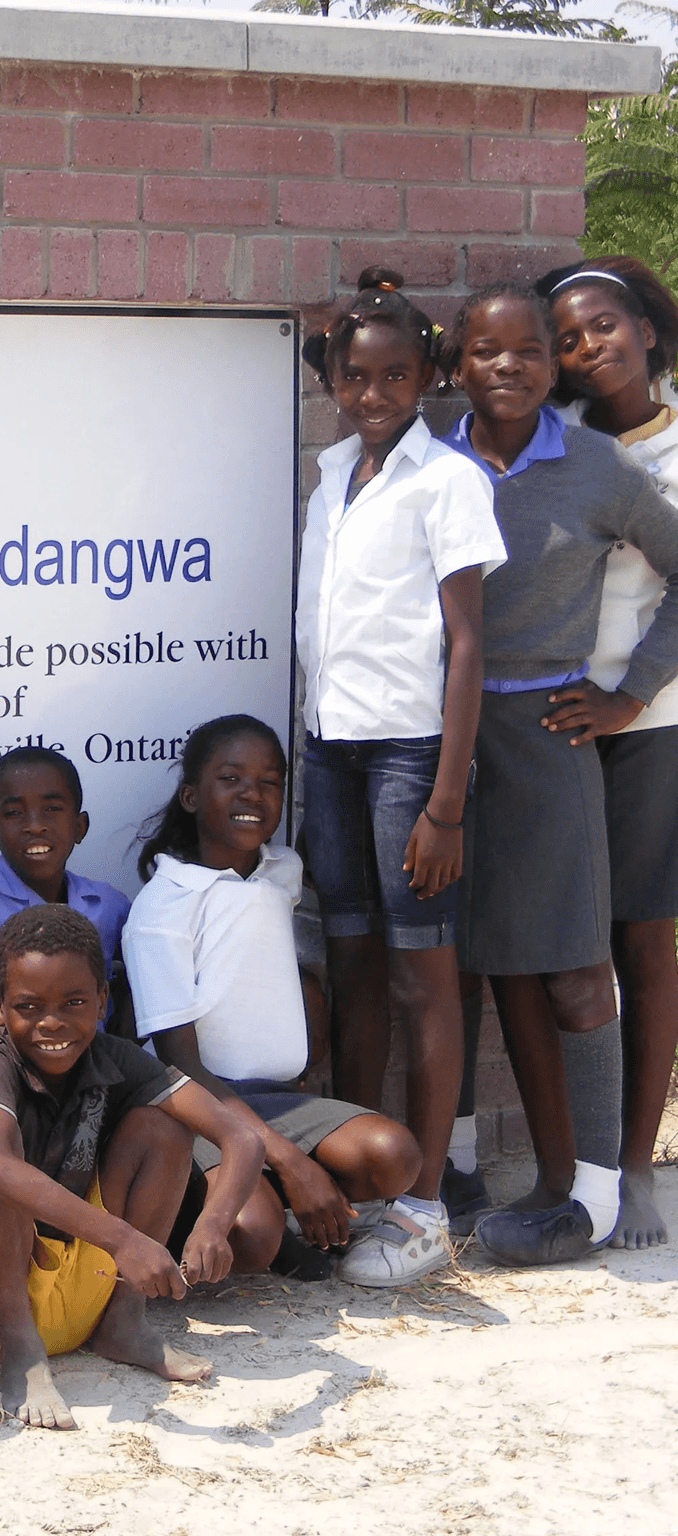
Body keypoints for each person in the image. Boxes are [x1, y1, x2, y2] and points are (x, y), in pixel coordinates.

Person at [439, 281, 678, 1266]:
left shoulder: (592, 466)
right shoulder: (430, 462)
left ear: (553, 365)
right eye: (487, 353)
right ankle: (521, 1177)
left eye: (532, 352)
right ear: (457, 365)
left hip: (548, 733)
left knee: (579, 966)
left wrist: (628, 695)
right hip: (441, 738)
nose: (510, 369)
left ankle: (600, 1193)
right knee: (484, 963)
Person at [293, 268, 506, 1279]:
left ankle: (421, 1209)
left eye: (392, 375)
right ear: (332, 378)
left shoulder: (446, 480)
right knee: (351, 969)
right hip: (326, 748)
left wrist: (446, 804)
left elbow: (465, 644)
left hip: (408, 755)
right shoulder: (333, 472)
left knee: (424, 979)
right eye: (352, 374)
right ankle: (356, 1180)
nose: (371, 393)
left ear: (425, 377)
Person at [125, 716, 427, 1286]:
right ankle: (264, 1209)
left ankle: (287, 1199)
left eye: (269, 782)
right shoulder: (163, 908)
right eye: (231, 778)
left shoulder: (281, 870)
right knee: (251, 1237)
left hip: (274, 1101)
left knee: (394, 1155)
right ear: (191, 796)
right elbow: (180, 1071)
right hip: (199, 1109)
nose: (252, 795)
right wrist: (290, 1161)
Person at [0, 904, 260, 1431]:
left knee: (165, 1125)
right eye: (28, 1006)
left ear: (103, 1001)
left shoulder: (116, 1056)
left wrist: (214, 1224)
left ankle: (124, 1323)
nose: (52, 1022)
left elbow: (239, 1135)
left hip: (88, 1285)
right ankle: (24, 1353)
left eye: (74, 1002)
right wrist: (125, 1240)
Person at [541, 256, 678, 1250]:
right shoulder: (567, 446)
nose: (586, 348)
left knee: (643, 943)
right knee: (570, 947)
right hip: (557, 723)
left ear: (642, 325)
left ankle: (634, 1165)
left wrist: (630, 694)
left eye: (600, 326)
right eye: (567, 339)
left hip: (652, 728)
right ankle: (577, 1163)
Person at [0, 746, 131, 977]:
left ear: (80, 827)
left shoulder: (108, 905)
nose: (35, 826)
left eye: (52, 808)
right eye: (14, 813)